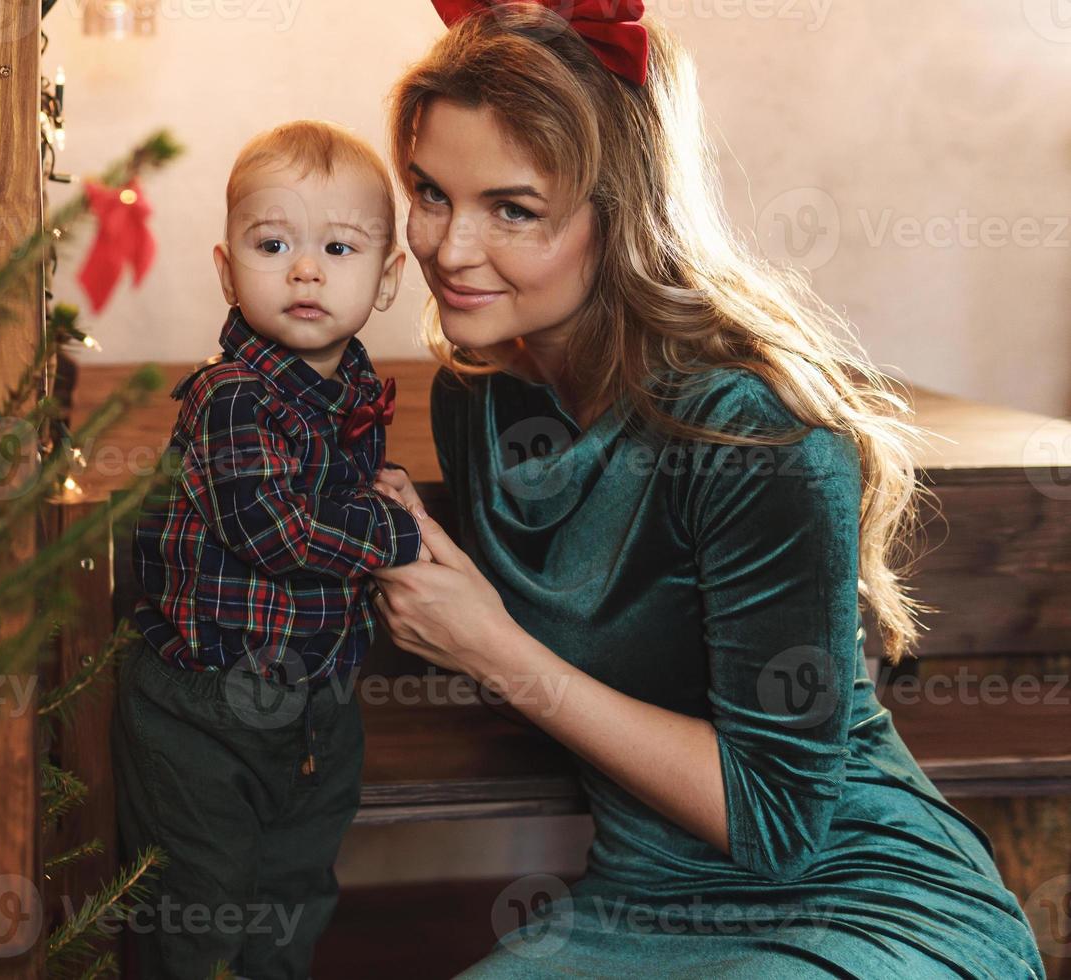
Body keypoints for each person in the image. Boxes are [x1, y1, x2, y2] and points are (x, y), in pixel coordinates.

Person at [366, 3, 1047, 977]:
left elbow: (779, 826)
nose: (449, 248)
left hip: (861, 897)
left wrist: (490, 646)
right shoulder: (479, 402)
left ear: (622, 209)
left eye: (513, 209)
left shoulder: (756, 434)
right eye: (430, 192)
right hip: (639, 897)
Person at [112, 119, 428, 980]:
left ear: (389, 277)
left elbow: (329, 493)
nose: (304, 269)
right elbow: (275, 530)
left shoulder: (353, 387)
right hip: (204, 710)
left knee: (292, 904)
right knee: (201, 911)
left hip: (318, 707)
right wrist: (395, 530)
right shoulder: (231, 395)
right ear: (226, 268)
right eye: (273, 242)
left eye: (337, 246)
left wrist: (380, 486)